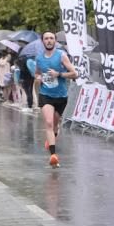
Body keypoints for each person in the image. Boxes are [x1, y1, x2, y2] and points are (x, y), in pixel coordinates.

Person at [28, 32, 77, 166]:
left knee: (55, 124)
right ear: (42, 41)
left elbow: (74, 74)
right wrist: (38, 77)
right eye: (46, 39)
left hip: (61, 95)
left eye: (51, 38)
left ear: (55, 41)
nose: (49, 41)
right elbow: (37, 73)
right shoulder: (39, 58)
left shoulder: (61, 55)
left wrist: (58, 74)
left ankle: (52, 138)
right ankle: (53, 155)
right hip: (45, 94)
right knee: (49, 123)